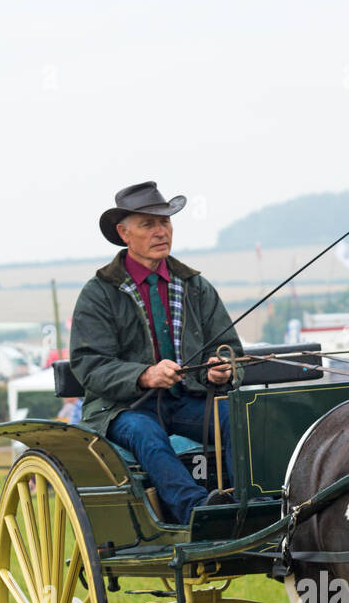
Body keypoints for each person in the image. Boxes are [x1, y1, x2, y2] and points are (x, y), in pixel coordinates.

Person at [69, 181, 244, 525]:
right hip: (121, 409)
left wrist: (222, 369)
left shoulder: (196, 287)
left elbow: (231, 351)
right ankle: (195, 511)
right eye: (148, 224)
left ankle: (249, 503)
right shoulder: (98, 294)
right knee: (146, 433)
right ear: (124, 233)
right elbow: (89, 365)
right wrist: (143, 375)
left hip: (187, 401)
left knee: (238, 420)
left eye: (165, 222)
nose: (160, 231)